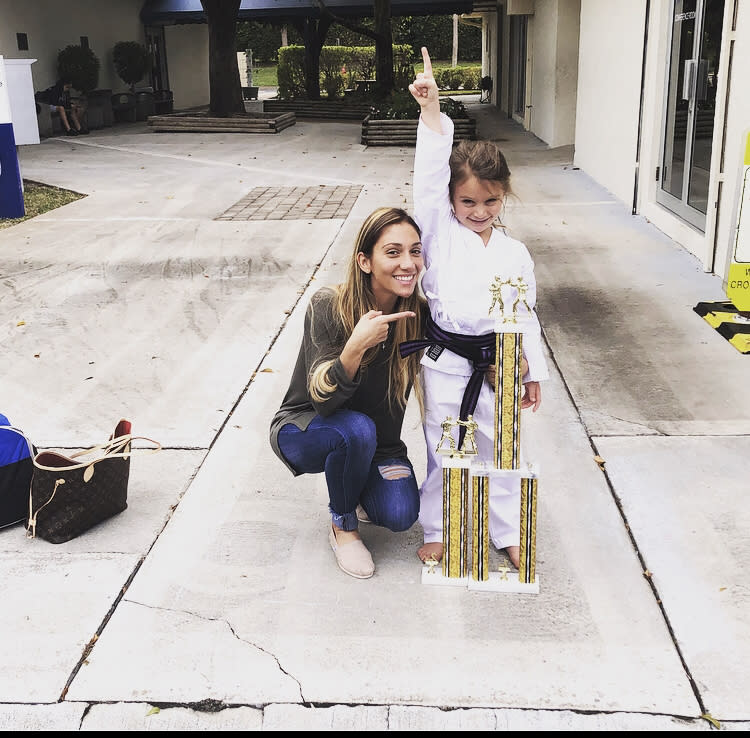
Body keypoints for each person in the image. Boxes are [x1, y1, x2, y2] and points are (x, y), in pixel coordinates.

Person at [402, 46, 549, 569]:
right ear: (451, 201)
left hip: (503, 356)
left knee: (506, 448)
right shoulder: (437, 232)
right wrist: (431, 112)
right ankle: (443, 525)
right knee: (449, 447)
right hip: (447, 359)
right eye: (468, 202)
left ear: (503, 195)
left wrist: (533, 371)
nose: (480, 211)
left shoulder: (514, 253)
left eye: (490, 201)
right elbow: (428, 176)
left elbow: (524, 315)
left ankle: (509, 529)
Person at [269, 207, 427, 580]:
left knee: (400, 514)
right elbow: (323, 400)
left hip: (379, 445)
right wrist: (355, 348)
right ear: (365, 261)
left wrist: (510, 360)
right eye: (393, 252)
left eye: (415, 251)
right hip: (306, 429)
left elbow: (463, 352)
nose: (408, 263)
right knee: (354, 429)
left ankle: (354, 484)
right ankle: (343, 525)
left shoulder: (420, 316)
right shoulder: (329, 305)